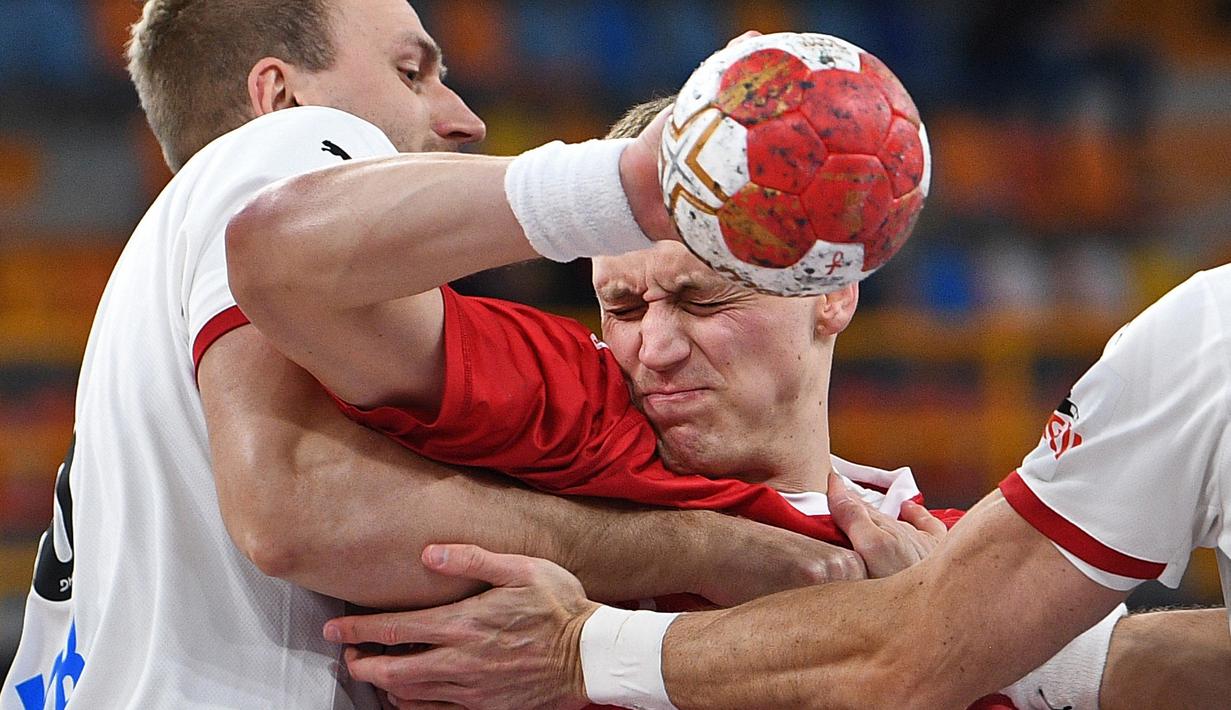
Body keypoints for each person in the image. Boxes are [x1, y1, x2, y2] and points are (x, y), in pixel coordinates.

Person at [0, 4, 872, 708]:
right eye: (410, 73)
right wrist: (631, 183)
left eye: (701, 297)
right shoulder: (273, 153)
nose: (461, 117)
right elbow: (297, 511)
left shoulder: (153, 296)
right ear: (280, 98)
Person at [313, 102, 1231, 708]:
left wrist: (935, 616)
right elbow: (300, 278)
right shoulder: (570, 408)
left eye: (704, 300)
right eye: (620, 306)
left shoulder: (940, 556)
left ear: (832, 290)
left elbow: (1129, 668)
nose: (650, 346)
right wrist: (598, 189)